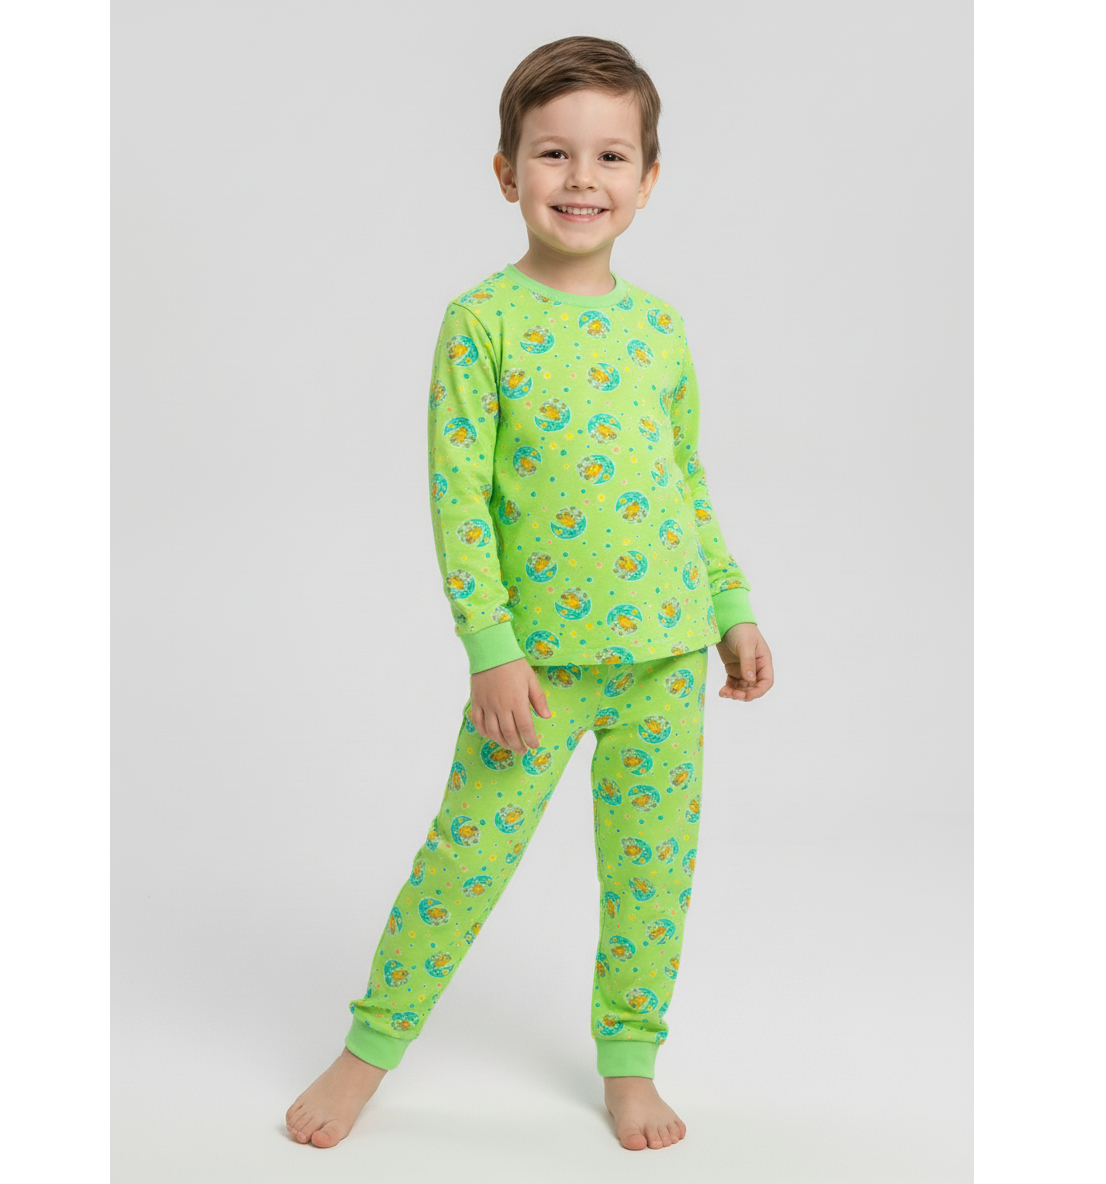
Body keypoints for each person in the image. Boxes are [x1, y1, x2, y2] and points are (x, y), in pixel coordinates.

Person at [285, 34, 775, 1152]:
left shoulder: (659, 329)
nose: (581, 178)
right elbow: (456, 499)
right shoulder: (483, 322)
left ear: (649, 178)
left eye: (610, 156)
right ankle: (367, 1052)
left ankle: (630, 1063)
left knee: (651, 879)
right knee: (461, 862)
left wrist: (731, 606)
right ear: (507, 172)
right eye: (554, 153)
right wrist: (490, 646)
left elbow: (684, 481)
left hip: (666, 659)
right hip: (537, 671)